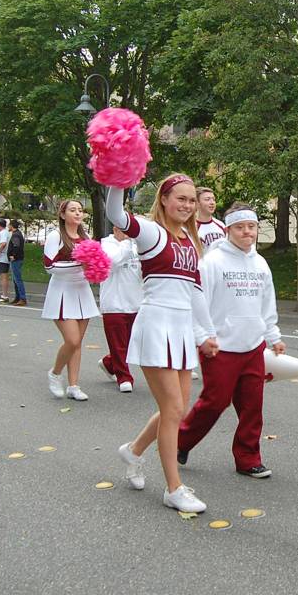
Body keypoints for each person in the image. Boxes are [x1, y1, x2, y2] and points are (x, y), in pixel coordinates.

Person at [105, 174, 218, 514]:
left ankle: (134, 450)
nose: (186, 205)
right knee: (173, 410)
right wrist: (120, 176)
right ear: (164, 200)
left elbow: (195, 293)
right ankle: (174, 487)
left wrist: (206, 333)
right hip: (156, 325)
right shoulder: (152, 232)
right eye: (179, 198)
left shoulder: (189, 240)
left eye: (191, 200)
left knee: (178, 408)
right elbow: (115, 212)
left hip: (182, 328)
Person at [177, 202, 285, 479]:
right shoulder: (212, 262)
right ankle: (180, 441)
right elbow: (198, 302)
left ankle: (248, 458)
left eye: (251, 227)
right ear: (228, 230)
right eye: (240, 227)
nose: (247, 232)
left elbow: (266, 303)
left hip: (253, 346)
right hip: (220, 346)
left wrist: (273, 336)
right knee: (215, 401)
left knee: (252, 406)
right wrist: (202, 337)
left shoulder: (260, 263)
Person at [42, 200, 99, 401]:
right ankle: (55, 373)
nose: (77, 213)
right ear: (63, 214)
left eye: (80, 210)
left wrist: (95, 270)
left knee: (77, 343)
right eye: (72, 210)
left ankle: (74, 385)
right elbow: (49, 267)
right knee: (72, 340)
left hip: (82, 292)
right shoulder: (55, 236)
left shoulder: (86, 237)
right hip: (62, 292)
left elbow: (92, 266)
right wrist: (78, 265)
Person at [98, 223, 143, 393]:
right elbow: (114, 261)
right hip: (114, 303)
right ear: (115, 229)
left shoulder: (136, 245)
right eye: (124, 229)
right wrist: (126, 242)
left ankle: (110, 363)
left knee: (132, 343)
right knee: (118, 343)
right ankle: (124, 377)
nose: (128, 233)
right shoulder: (106, 244)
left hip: (136, 301)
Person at [195, 187, 227, 251]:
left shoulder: (221, 225)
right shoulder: (191, 227)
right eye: (207, 199)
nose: (212, 202)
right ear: (197, 203)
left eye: (213, 199)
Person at [7, 219, 27, 306]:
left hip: (16, 259)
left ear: (12, 226)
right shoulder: (18, 234)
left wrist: (13, 255)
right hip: (18, 259)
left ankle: (22, 298)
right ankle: (18, 297)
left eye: (9, 225)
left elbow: (16, 246)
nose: (8, 226)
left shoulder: (15, 235)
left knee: (17, 279)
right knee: (15, 279)